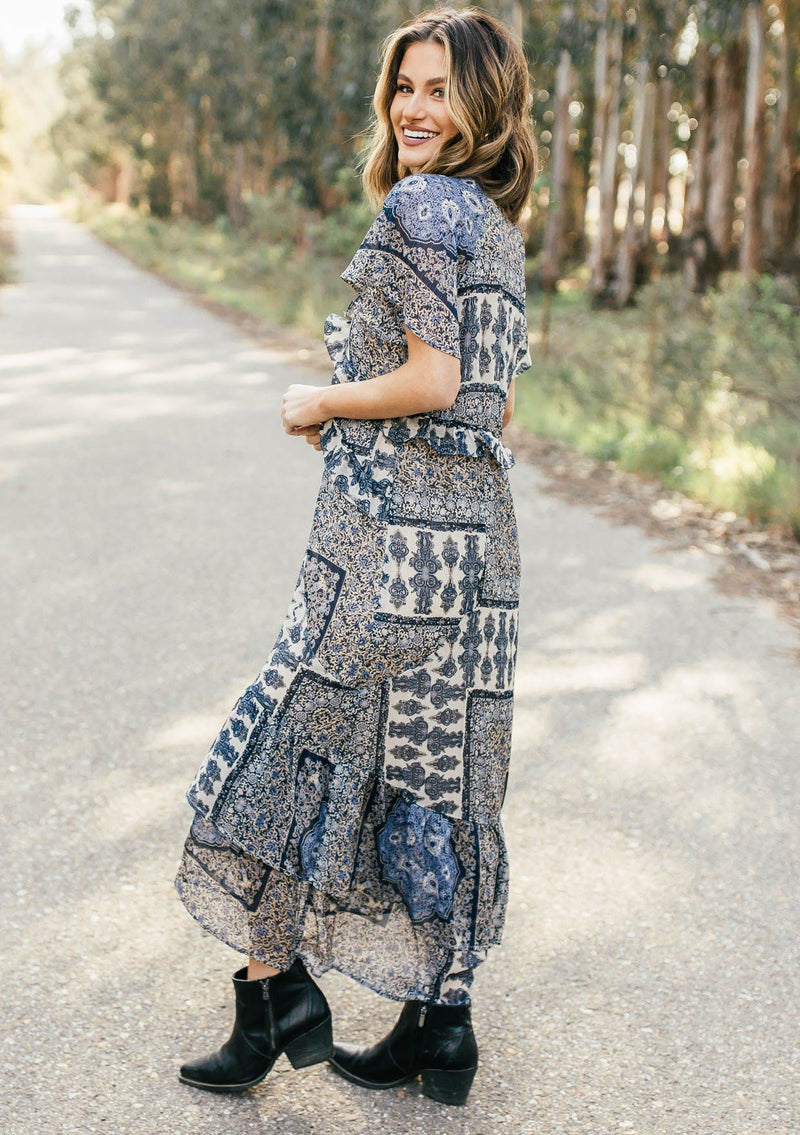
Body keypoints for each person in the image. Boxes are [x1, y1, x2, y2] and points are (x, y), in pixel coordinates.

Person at [174, 5, 537, 1108]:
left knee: (292, 748)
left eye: (440, 91)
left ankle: (273, 996)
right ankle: (442, 1021)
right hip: (475, 543)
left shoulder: (422, 206)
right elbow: (492, 403)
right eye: (405, 88)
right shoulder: (493, 221)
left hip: (381, 547)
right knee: (436, 771)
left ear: (483, 106)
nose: (415, 109)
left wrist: (323, 400)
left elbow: (429, 381)